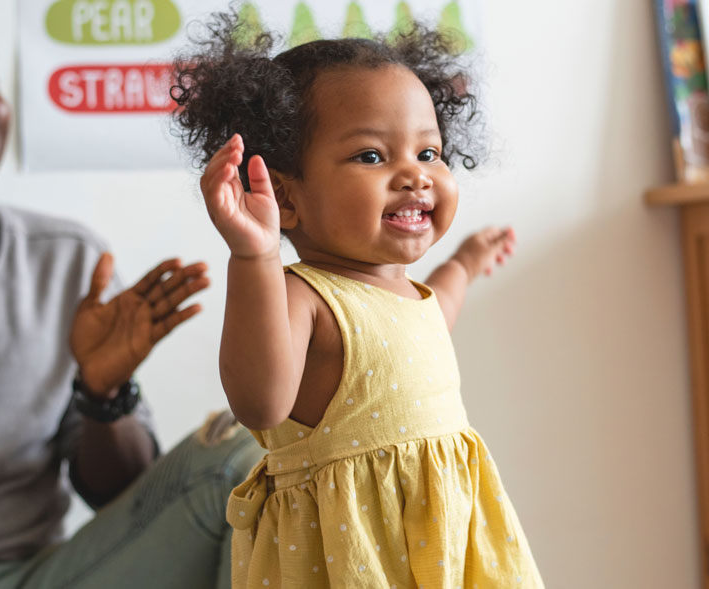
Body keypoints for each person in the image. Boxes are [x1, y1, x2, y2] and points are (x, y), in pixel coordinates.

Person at [173, 11, 545, 588]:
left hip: (444, 550)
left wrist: (465, 265)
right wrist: (255, 256)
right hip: (353, 560)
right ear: (286, 197)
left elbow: (430, 321)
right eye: (372, 156)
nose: (414, 176)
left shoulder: (405, 291)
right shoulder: (304, 295)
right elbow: (261, 401)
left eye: (429, 153)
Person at [0, 3, 263, 588]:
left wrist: (103, 393)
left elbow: (122, 497)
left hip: (46, 575)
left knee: (243, 457)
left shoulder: (67, 260)